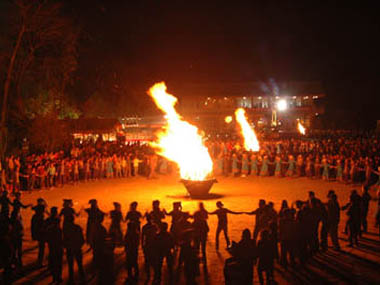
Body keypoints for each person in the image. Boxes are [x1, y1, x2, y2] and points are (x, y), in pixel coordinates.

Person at [63, 215, 86, 284]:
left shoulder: (66, 229)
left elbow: (64, 240)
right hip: (77, 249)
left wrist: (66, 246)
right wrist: (78, 246)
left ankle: (71, 280)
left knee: (70, 265)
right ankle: (83, 278)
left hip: (70, 249)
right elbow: (82, 240)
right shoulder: (78, 228)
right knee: (80, 264)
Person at [45, 207, 63, 284]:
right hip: (58, 246)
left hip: (51, 244)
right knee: (58, 262)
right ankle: (58, 277)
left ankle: (54, 276)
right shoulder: (58, 229)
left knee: (52, 258)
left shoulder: (48, 222)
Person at [31, 198, 48, 266]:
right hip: (42, 233)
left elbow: (33, 208)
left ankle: (40, 261)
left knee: (41, 246)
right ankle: (40, 262)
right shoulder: (41, 218)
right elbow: (46, 206)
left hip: (37, 232)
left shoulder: (34, 217)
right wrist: (44, 202)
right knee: (42, 247)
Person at [141, 214, 157, 281]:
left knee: (148, 261)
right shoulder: (154, 226)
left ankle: (149, 275)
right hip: (151, 245)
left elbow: (142, 237)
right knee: (152, 261)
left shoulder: (145, 227)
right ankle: (153, 275)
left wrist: (142, 245)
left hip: (149, 245)